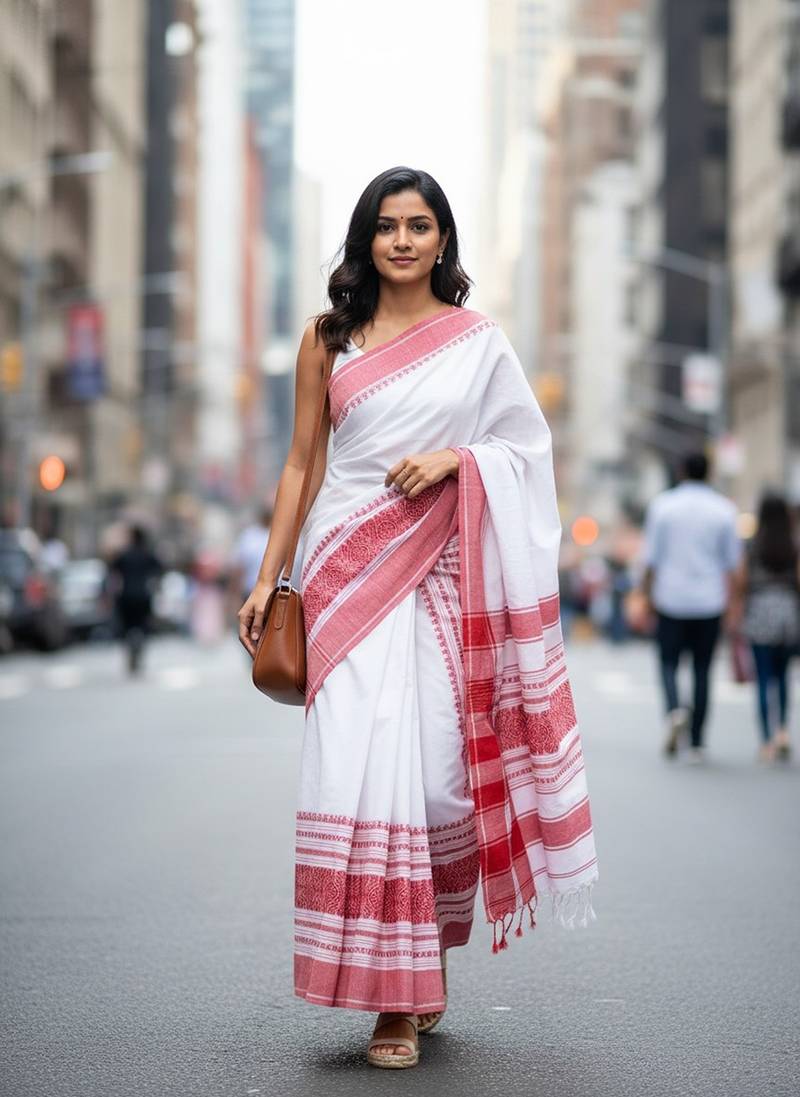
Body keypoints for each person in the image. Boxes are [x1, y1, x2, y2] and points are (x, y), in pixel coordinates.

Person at [237, 167, 598, 1070]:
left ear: (444, 239)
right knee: (358, 773)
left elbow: (523, 446)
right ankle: (394, 1002)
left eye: (420, 225)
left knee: (436, 779)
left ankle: (423, 947)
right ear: (366, 238)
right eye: (387, 226)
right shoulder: (328, 339)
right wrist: (268, 574)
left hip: (439, 572)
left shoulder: (477, 342)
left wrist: (454, 461)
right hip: (345, 571)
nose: (403, 240)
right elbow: (300, 465)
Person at [638, 452, 742, 762]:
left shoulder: (663, 507)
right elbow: (733, 565)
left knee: (668, 662)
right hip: (709, 601)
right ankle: (697, 741)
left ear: (681, 470)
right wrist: (735, 603)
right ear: (710, 472)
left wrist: (645, 595)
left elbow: (650, 560)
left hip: (670, 598)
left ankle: (673, 712)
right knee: (702, 669)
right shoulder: (724, 510)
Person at [729, 491, 799, 762]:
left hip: (759, 612)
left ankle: (767, 741)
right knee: (783, 676)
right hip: (787, 612)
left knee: (763, 677)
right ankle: (782, 730)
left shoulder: (753, 545)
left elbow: (742, 581)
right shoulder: (793, 545)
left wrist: (736, 613)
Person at [108, 524, 163, 675]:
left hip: (126, 596)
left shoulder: (124, 554)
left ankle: (130, 653)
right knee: (144, 626)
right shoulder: (148, 554)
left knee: (126, 627)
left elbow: (112, 571)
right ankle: (139, 653)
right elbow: (159, 570)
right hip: (143, 596)